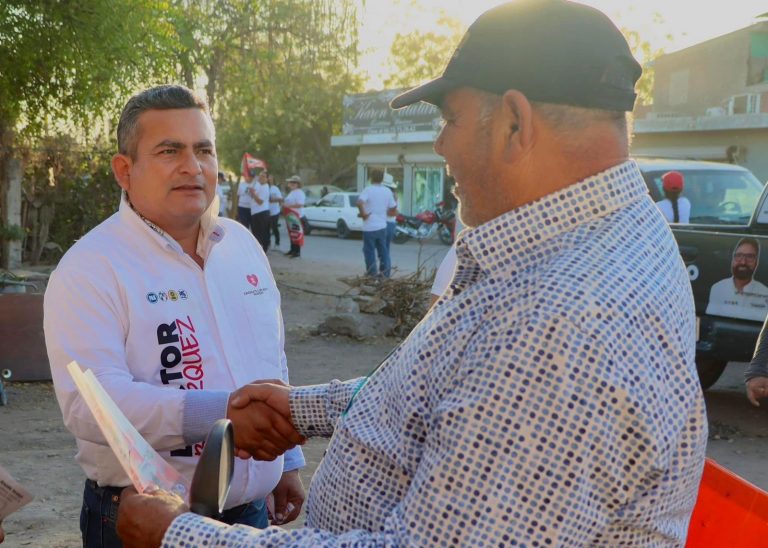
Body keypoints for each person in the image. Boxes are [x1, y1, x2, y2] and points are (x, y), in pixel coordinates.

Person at [116, 2, 707, 545]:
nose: (440, 143)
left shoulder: (563, 320)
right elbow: (448, 388)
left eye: (449, 117)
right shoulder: (590, 243)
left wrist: (182, 537)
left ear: (513, 123)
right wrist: (308, 407)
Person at [43, 85, 305, 547]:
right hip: (144, 520)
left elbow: (269, 357)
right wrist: (220, 415)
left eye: (204, 150)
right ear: (125, 170)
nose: (193, 166)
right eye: (170, 150)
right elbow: (92, 407)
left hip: (252, 518)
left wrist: (285, 465)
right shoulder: (91, 267)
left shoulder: (241, 245)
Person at [706, 237, 768, 321]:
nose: (743, 262)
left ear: (756, 262)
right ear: (732, 259)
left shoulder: (765, 293)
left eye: (749, 257)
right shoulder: (717, 288)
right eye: (738, 255)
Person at [357, 169, 397, 278]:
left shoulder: (368, 190)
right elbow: (393, 207)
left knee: (369, 251)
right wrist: (383, 212)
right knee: (383, 251)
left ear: (371, 178)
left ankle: (372, 274)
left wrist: (363, 214)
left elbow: (360, 202)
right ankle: (385, 274)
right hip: (382, 226)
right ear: (382, 179)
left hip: (369, 227)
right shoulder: (387, 191)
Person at [282, 175, 305, 258]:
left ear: (298, 184)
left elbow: (300, 204)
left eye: (294, 182)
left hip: (296, 215)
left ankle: (297, 251)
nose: (291, 184)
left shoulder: (300, 193)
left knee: (296, 233)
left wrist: (289, 206)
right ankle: (292, 249)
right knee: (292, 233)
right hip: (290, 215)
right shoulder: (292, 192)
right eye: (291, 182)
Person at [249, 170, 271, 252]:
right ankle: (258, 250)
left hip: (262, 212)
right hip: (255, 212)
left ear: (267, 179)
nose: (261, 178)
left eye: (263, 176)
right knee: (256, 233)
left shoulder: (265, 187)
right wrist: (252, 193)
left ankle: (263, 250)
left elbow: (260, 202)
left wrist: (253, 193)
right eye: (260, 176)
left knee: (262, 233)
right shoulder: (259, 186)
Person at [382, 173, 398, 253]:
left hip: (384, 223)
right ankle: (385, 264)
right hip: (391, 223)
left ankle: (384, 264)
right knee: (386, 248)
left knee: (382, 248)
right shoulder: (394, 195)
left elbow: (391, 212)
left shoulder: (386, 195)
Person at [268, 174, 283, 249]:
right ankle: (268, 243)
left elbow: (280, 199)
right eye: (268, 178)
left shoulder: (275, 188)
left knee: (274, 227)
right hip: (266, 211)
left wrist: (273, 200)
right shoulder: (264, 187)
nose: (269, 180)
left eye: (271, 179)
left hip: (275, 211)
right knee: (266, 228)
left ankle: (277, 242)